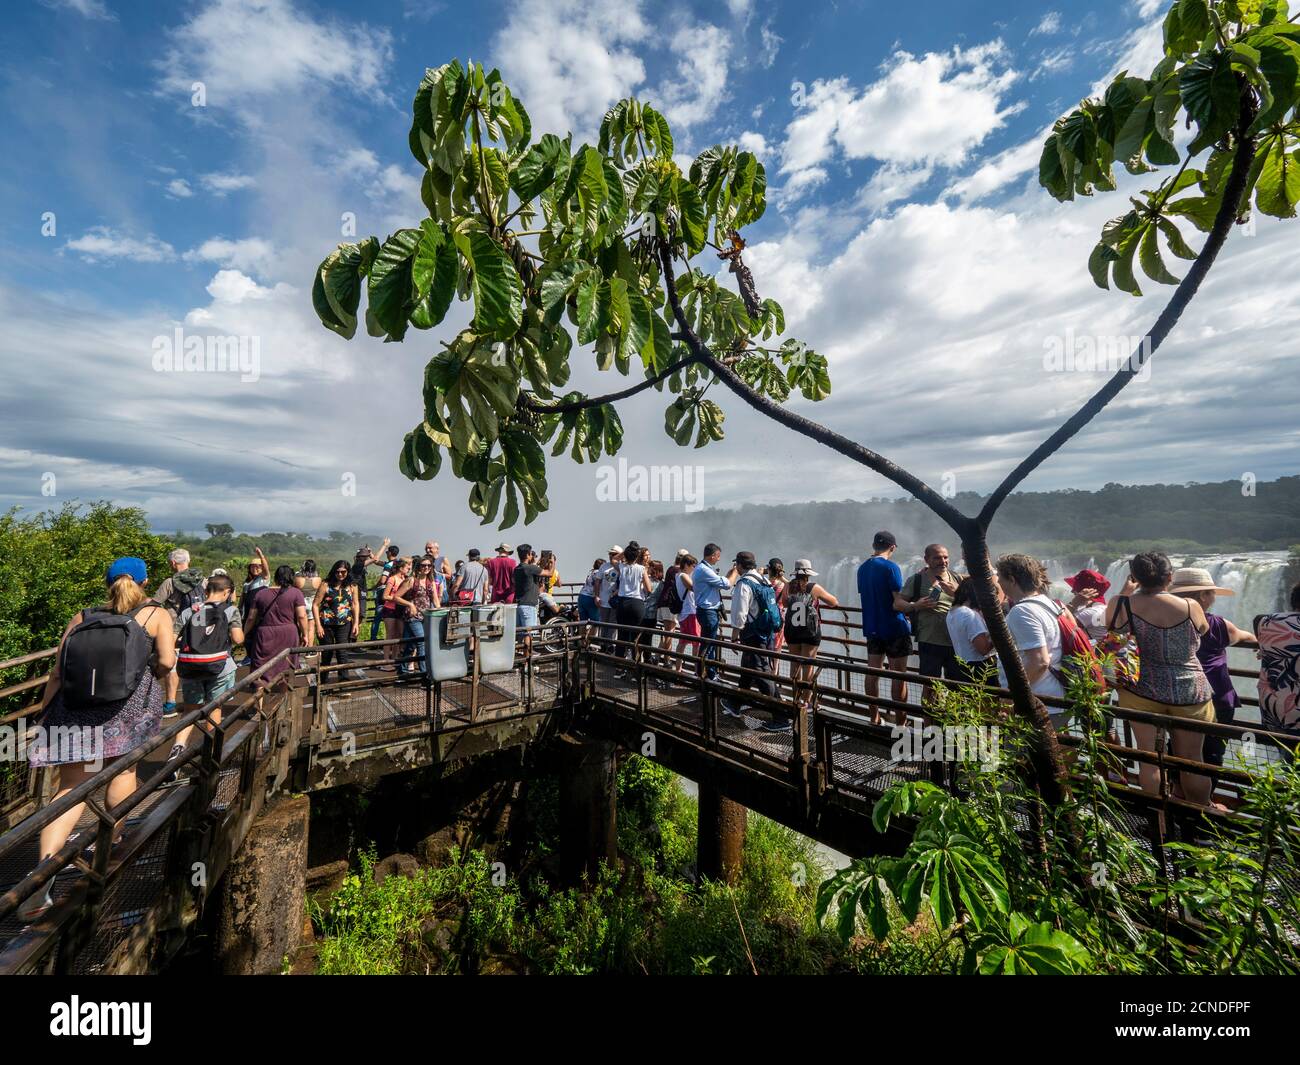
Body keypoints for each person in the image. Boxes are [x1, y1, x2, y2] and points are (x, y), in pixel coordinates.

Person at [19, 558, 176, 920]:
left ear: (107, 583)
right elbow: (167, 662)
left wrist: (44, 716)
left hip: (75, 710)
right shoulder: (156, 614)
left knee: (71, 788)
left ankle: (41, 876)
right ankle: (109, 844)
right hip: (129, 708)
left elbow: (58, 672)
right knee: (122, 773)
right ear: (145, 581)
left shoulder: (83, 616)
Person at [1103, 552, 1219, 808]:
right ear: (1169, 577)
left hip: (1139, 689)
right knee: (1192, 759)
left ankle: (1160, 825)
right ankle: (1200, 826)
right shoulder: (1191, 605)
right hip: (1189, 689)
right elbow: (1204, 631)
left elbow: (1111, 632)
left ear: (1134, 577)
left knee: (1149, 757)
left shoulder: (1119, 604)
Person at [1170, 567, 1250, 768]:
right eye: (1211, 592)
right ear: (1203, 596)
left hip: (1178, 696)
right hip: (1217, 698)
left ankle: (1179, 793)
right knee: (1212, 756)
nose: (1214, 597)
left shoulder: (1163, 624)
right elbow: (1246, 637)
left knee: (1179, 753)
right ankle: (1205, 799)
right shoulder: (1217, 624)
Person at [170, 572, 245, 758]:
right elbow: (238, 639)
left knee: (190, 710)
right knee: (214, 708)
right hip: (220, 667)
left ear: (206, 590)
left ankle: (178, 746)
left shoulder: (189, 611)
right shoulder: (230, 611)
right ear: (227, 592)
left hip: (190, 667)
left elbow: (172, 640)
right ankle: (211, 753)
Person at [995, 554, 1067, 716]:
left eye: (1000, 577)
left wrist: (1012, 696)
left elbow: (1040, 661)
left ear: (1012, 580)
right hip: (1054, 698)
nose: (998, 582)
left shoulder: (1022, 611)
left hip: (1036, 703)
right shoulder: (1046, 602)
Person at [721, 551, 785, 731]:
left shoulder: (744, 583)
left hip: (753, 634)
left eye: (737, 566)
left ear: (740, 566)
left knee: (762, 674)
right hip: (766, 633)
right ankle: (734, 703)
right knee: (748, 669)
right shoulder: (763, 580)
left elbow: (740, 612)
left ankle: (781, 717)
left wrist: (734, 634)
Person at [895, 544, 961, 703]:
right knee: (930, 686)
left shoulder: (957, 578)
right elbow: (897, 604)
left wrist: (956, 593)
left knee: (957, 688)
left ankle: (953, 725)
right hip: (929, 640)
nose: (943, 561)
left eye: (945, 557)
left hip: (956, 642)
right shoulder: (917, 580)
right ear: (927, 560)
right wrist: (915, 606)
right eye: (937, 557)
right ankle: (929, 725)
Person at [857, 531, 911, 723]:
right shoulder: (891, 568)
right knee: (899, 676)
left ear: (873, 546)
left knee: (873, 672)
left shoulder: (862, 568)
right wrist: (916, 606)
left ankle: (874, 717)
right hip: (895, 628)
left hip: (872, 628)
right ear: (893, 547)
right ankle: (901, 722)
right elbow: (897, 601)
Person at [783, 560, 839, 713]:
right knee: (808, 666)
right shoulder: (813, 587)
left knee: (795, 664)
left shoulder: (788, 586)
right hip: (810, 631)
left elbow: (784, 603)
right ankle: (806, 701)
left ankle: (795, 696)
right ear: (808, 574)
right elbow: (834, 602)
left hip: (792, 629)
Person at [243, 563, 310, 689]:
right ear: (291, 578)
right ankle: (284, 704)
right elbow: (302, 616)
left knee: (260, 669)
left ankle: (259, 705)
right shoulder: (296, 593)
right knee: (286, 665)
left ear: (275, 577)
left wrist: (244, 633)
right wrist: (305, 635)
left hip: (265, 633)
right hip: (289, 633)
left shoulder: (261, 593)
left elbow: (251, 617)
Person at [1255, 581, 1300, 759]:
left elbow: (1256, 619)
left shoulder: (1265, 621)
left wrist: (1264, 648)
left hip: (1273, 709)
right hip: (1296, 714)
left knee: (1288, 759)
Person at [315, 560, 363, 679]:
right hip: (326, 623)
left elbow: (355, 604)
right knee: (327, 653)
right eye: (338, 572)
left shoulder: (352, 586)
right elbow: (315, 605)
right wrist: (318, 626)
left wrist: (356, 623)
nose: (340, 574)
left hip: (344, 623)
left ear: (348, 572)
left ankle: (343, 680)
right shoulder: (326, 585)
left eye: (343, 572)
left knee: (342, 652)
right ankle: (323, 681)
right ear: (334, 571)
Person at [945, 576, 997, 684]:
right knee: (987, 700)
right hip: (980, 668)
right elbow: (983, 649)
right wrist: (998, 634)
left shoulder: (953, 611)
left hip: (962, 664)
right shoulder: (969, 615)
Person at [692, 543, 732, 682]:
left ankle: (705, 672)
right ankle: (707, 674)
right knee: (709, 644)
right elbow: (726, 585)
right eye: (718, 556)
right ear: (712, 555)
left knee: (707, 643)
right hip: (708, 611)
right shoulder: (704, 570)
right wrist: (735, 573)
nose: (719, 559)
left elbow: (722, 582)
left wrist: (729, 575)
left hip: (706, 611)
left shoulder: (702, 568)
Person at [394, 555, 440, 676]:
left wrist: (440, 613)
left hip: (426, 617)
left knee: (411, 645)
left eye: (429, 565)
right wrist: (410, 604)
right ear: (418, 566)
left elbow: (435, 601)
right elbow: (396, 597)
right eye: (423, 565)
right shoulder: (411, 581)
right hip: (412, 617)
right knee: (422, 641)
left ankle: (402, 669)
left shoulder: (431, 582)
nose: (426, 567)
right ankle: (424, 673)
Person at [613, 541, 653, 668]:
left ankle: (619, 667)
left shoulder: (622, 567)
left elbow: (614, 558)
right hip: (637, 603)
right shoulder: (641, 569)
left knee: (622, 635)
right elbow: (649, 588)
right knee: (636, 635)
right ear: (637, 556)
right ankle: (635, 666)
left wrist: (627, 551)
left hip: (623, 603)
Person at [379, 557, 412, 666]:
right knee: (390, 635)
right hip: (390, 609)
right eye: (407, 568)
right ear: (401, 568)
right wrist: (396, 598)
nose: (408, 570)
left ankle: (395, 659)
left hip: (400, 610)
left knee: (399, 635)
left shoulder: (405, 579)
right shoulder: (392, 579)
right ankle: (386, 660)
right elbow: (385, 596)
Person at [658, 549, 688, 663]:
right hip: (671, 604)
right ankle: (667, 661)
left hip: (664, 603)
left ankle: (656, 657)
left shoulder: (671, 568)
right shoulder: (678, 572)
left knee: (668, 632)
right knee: (669, 633)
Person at [1064, 568, 1110, 642]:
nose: (1072, 591)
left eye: (1076, 588)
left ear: (1087, 591)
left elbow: (1060, 624)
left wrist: (1074, 603)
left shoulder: (1091, 612)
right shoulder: (1101, 607)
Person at [513, 544, 543, 653]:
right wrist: (553, 563)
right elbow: (549, 573)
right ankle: (527, 661)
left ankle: (522, 658)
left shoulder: (517, 569)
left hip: (519, 604)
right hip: (529, 606)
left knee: (521, 633)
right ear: (528, 554)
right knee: (528, 634)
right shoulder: (530, 568)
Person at [674, 554, 701, 673]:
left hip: (685, 612)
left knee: (683, 642)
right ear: (686, 565)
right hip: (690, 612)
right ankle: (696, 670)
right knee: (696, 642)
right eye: (693, 566)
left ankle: (678, 668)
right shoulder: (683, 575)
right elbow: (693, 588)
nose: (694, 568)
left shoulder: (678, 575)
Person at [370, 544, 402, 640]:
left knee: (378, 617)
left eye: (387, 551)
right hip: (395, 592)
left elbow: (383, 580)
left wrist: (374, 587)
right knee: (392, 616)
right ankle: (392, 640)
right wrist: (371, 554)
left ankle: (373, 639)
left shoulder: (388, 565)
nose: (386, 553)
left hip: (384, 591)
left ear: (390, 553)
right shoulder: (398, 563)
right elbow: (376, 562)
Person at [596, 545, 623, 650]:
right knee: (603, 623)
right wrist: (596, 596)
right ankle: (602, 644)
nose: (611, 556)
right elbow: (597, 582)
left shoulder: (622, 567)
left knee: (613, 624)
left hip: (615, 601)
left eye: (614, 554)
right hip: (603, 599)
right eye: (610, 554)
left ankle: (610, 645)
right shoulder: (604, 566)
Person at [295, 560, 321, 647]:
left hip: (300, 605)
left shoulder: (298, 579)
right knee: (311, 628)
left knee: (299, 626)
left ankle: (298, 649)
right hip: (312, 605)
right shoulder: (318, 579)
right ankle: (309, 650)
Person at [241, 550, 269, 624]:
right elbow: (242, 598)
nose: (254, 568)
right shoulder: (247, 582)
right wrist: (239, 609)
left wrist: (261, 555)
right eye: (252, 566)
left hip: (258, 613)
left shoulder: (264, 579)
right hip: (246, 613)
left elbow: (266, 568)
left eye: (258, 567)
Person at [767, 558, 788, 654]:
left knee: (765, 643)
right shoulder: (783, 585)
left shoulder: (764, 583)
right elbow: (792, 588)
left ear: (769, 569)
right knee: (777, 648)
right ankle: (774, 669)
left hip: (765, 615)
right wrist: (782, 578)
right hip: (779, 617)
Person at [577, 558, 604, 630]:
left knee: (582, 622)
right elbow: (596, 585)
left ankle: (581, 640)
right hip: (591, 598)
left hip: (582, 596)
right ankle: (592, 640)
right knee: (595, 623)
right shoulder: (598, 573)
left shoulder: (591, 572)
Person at [538, 550, 561, 615]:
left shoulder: (542, 571)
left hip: (541, 597)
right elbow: (559, 584)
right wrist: (553, 583)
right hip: (549, 596)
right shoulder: (556, 572)